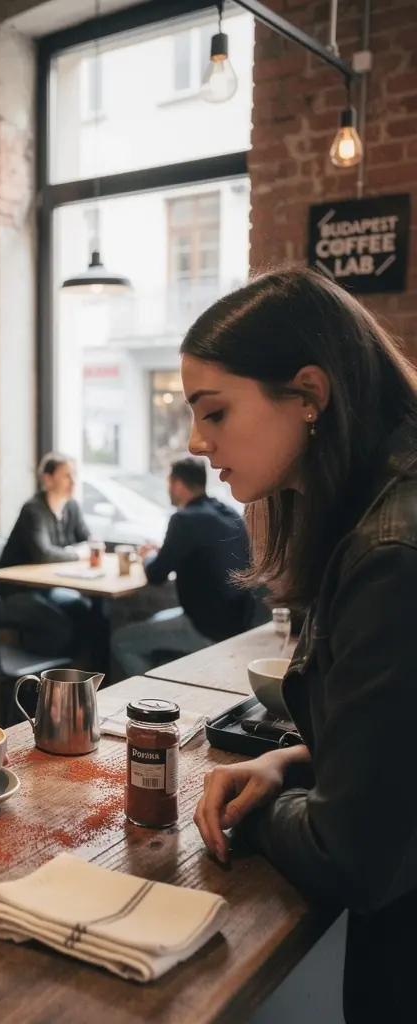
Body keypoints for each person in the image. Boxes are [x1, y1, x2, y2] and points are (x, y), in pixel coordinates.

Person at [185, 267, 417, 1022]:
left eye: (214, 411)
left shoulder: (390, 555)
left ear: (309, 395)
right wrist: (289, 759)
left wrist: (260, 812)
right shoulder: (386, 501)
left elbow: (354, 857)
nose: (195, 440)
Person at [110, 456, 256, 679]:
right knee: (155, 619)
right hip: (238, 622)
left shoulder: (184, 520)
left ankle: (151, 702)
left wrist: (147, 556)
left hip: (205, 628)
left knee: (120, 640)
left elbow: (156, 575)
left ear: (177, 484)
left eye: (168, 482)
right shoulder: (228, 512)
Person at [0, 453, 98, 662]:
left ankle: (77, 681)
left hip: (47, 589)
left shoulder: (71, 507)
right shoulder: (33, 510)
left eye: (74, 475)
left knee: (86, 612)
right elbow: (43, 553)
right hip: (16, 592)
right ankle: (40, 684)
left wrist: (89, 546)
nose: (73, 481)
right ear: (48, 479)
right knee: (60, 627)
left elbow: (89, 540)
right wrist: (78, 553)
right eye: (66, 476)